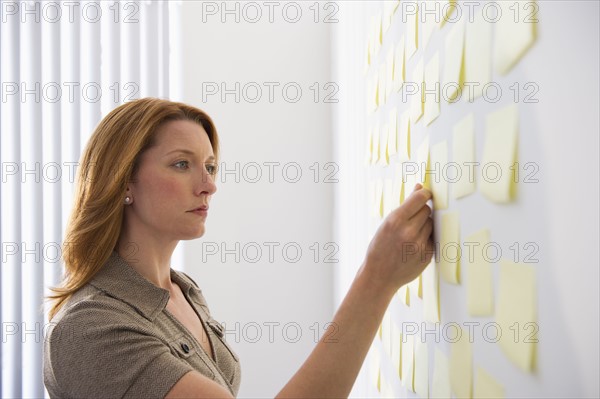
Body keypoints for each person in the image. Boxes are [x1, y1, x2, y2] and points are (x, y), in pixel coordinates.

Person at [43, 97, 434, 398]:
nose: (208, 184)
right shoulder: (90, 328)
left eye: (210, 167)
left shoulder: (183, 291)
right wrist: (376, 278)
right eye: (182, 164)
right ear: (123, 181)